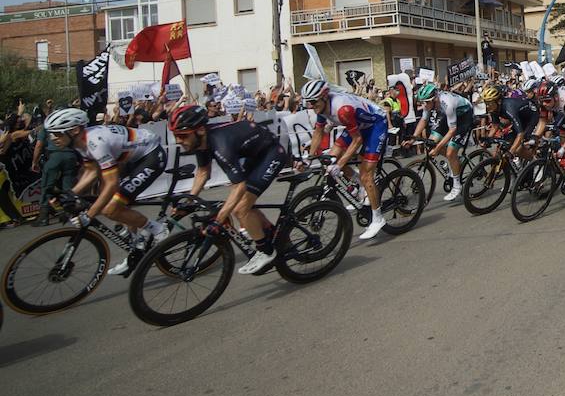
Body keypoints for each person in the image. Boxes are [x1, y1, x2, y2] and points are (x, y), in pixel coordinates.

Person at [171, 104, 288, 275]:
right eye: (175, 136)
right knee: (244, 205)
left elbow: (238, 186)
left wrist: (219, 220)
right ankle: (274, 233)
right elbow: (203, 173)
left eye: (182, 136)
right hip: (256, 156)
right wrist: (188, 201)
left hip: (272, 153)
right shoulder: (202, 141)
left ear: (200, 130)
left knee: (240, 209)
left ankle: (266, 251)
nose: (178, 141)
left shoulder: (220, 144)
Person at [52, 108, 170, 275]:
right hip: (132, 158)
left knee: (110, 208)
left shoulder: (96, 142)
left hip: (151, 156)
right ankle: (137, 248)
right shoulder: (80, 142)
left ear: (74, 130)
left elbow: (112, 183)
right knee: (113, 203)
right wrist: (70, 194)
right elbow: (92, 172)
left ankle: (157, 229)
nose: (53, 138)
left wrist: (88, 215)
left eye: (57, 134)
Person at [300, 79, 390, 242]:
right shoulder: (321, 108)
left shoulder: (342, 109)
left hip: (376, 124)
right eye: (308, 102)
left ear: (324, 97)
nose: (311, 106)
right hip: (358, 124)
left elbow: (357, 141)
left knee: (366, 174)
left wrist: (340, 165)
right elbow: (318, 132)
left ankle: (378, 218)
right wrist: (309, 158)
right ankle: (358, 184)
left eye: (313, 101)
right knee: (330, 158)